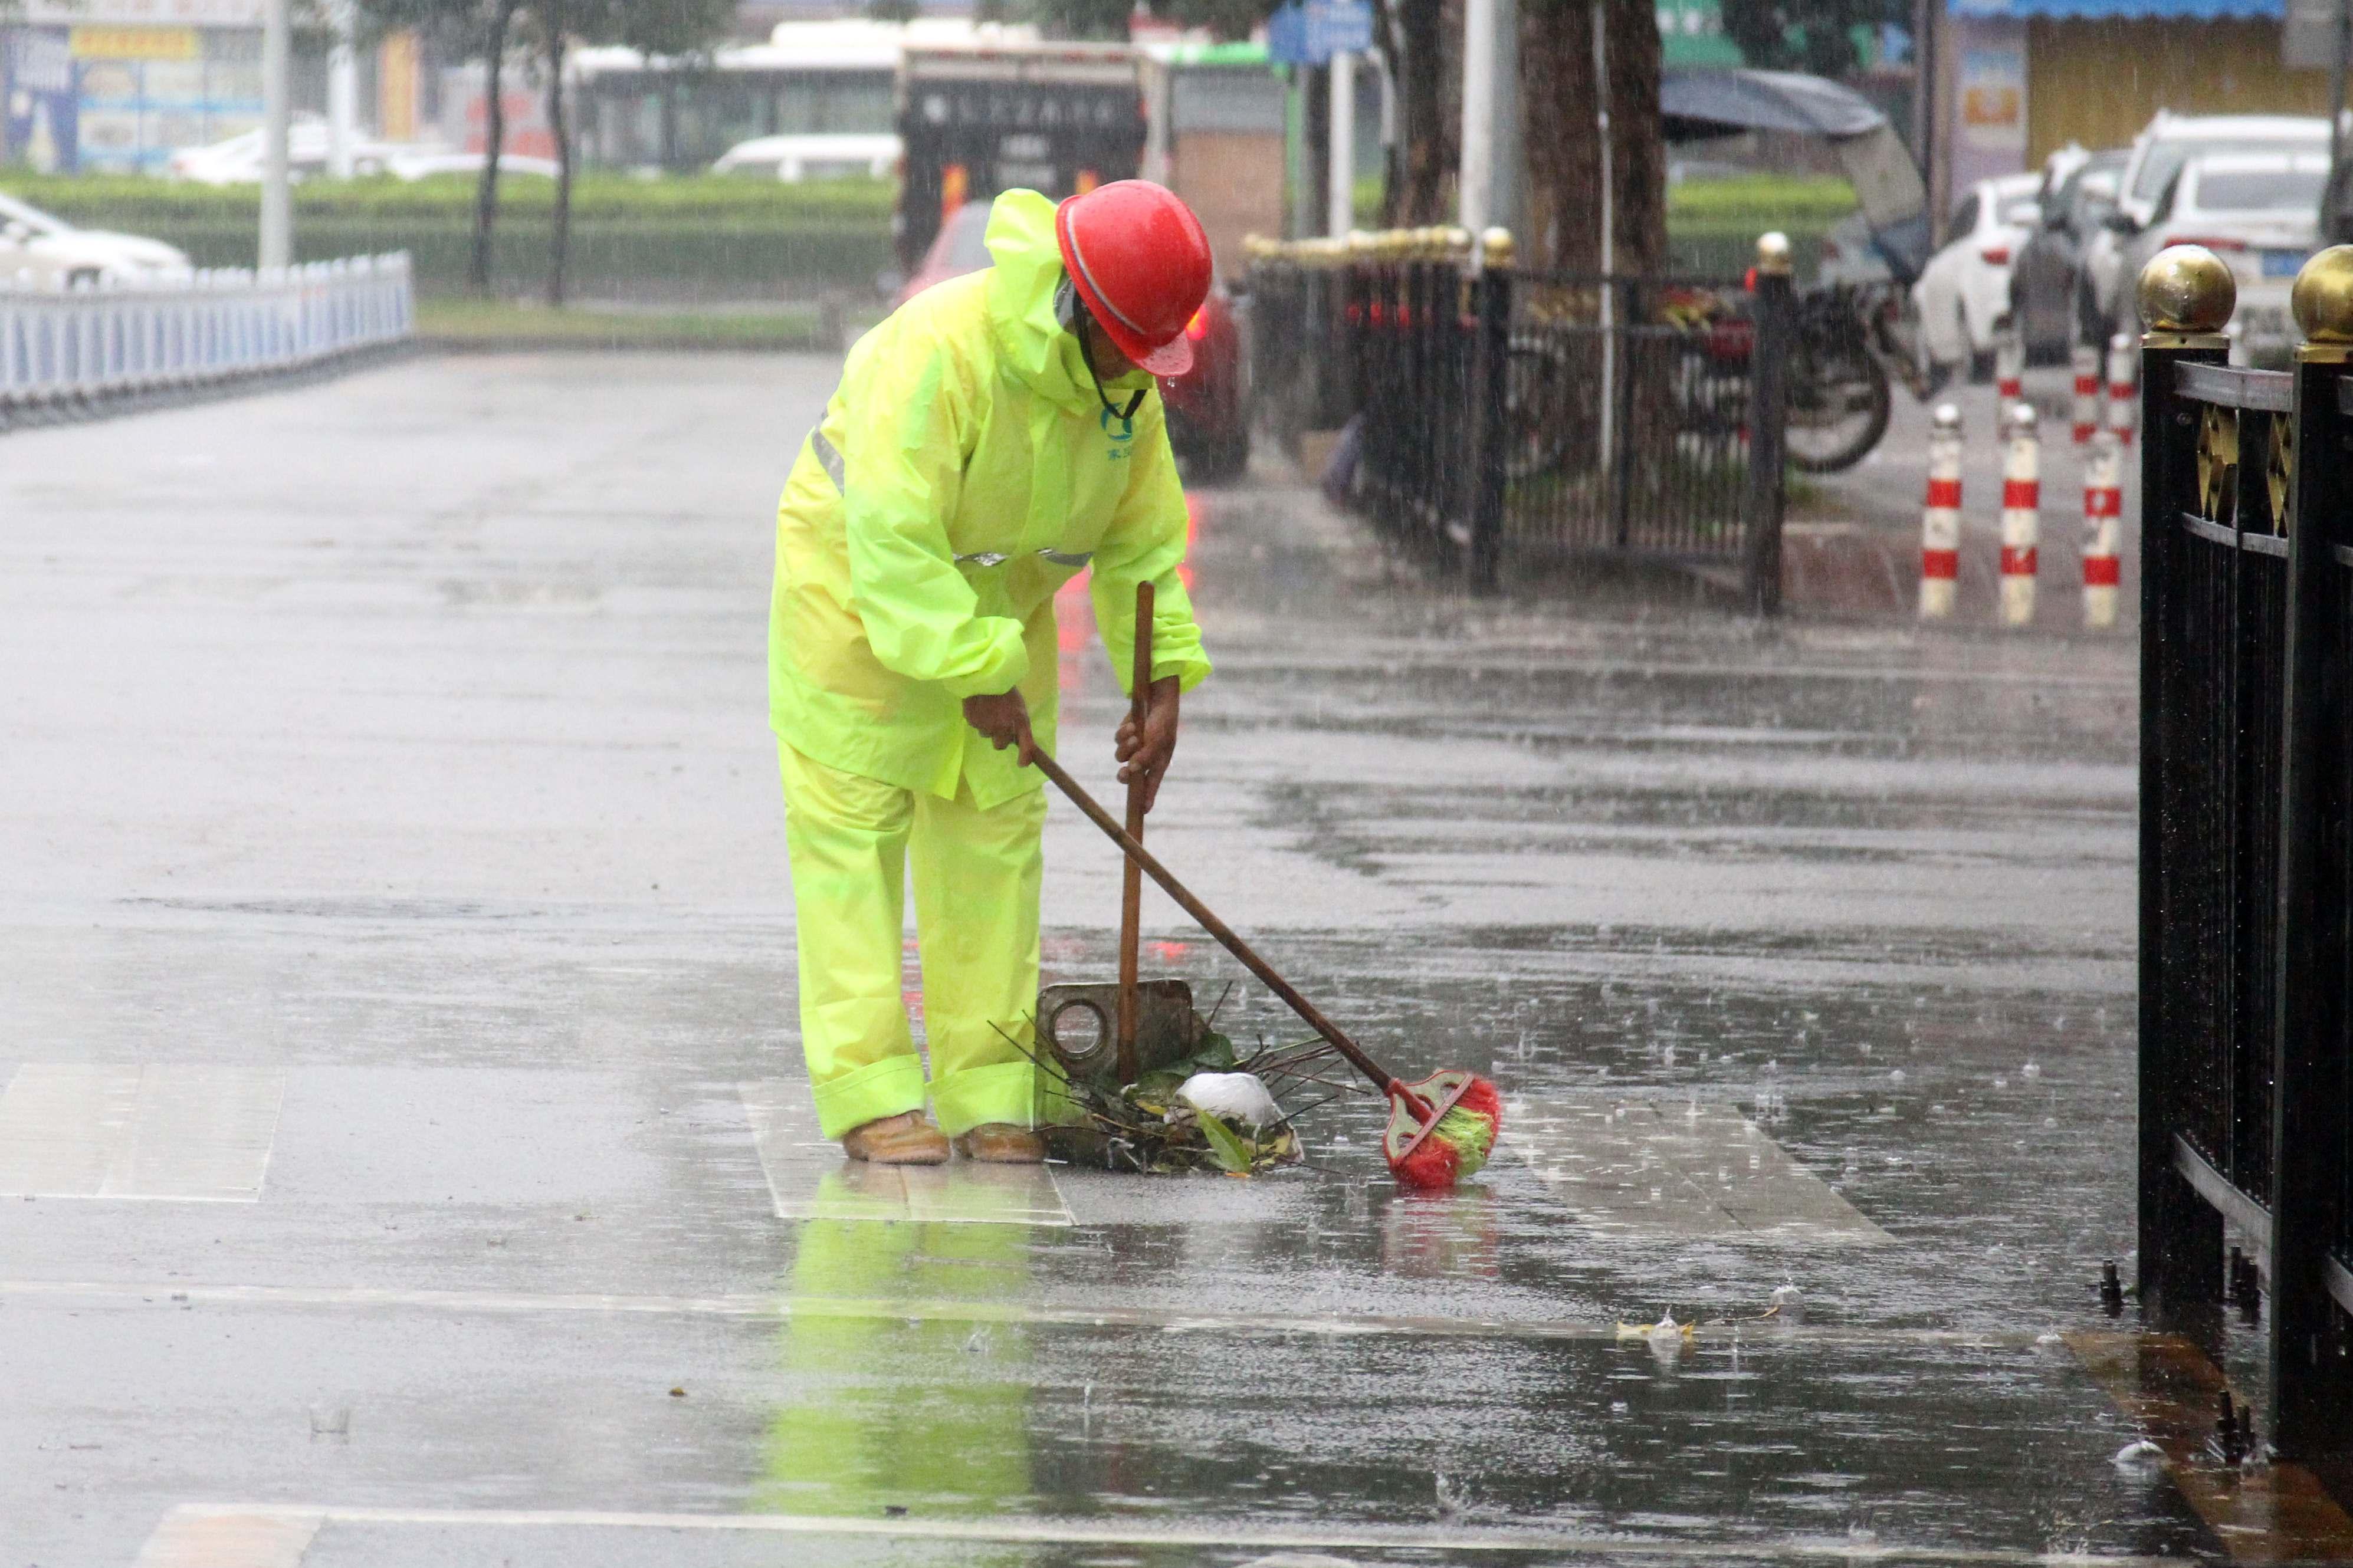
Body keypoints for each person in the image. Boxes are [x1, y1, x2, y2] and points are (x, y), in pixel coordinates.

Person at [768, 181, 1215, 1165]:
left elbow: (1142, 544)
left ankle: (990, 1090)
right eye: (1126, 347)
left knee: (994, 846)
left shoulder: (1122, 392)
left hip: (998, 622)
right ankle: (871, 1092)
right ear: (1079, 307)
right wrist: (971, 671)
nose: (1137, 372)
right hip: (854, 606)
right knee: (854, 848)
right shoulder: (939, 351)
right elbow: (892, 535)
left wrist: (1160, 679)